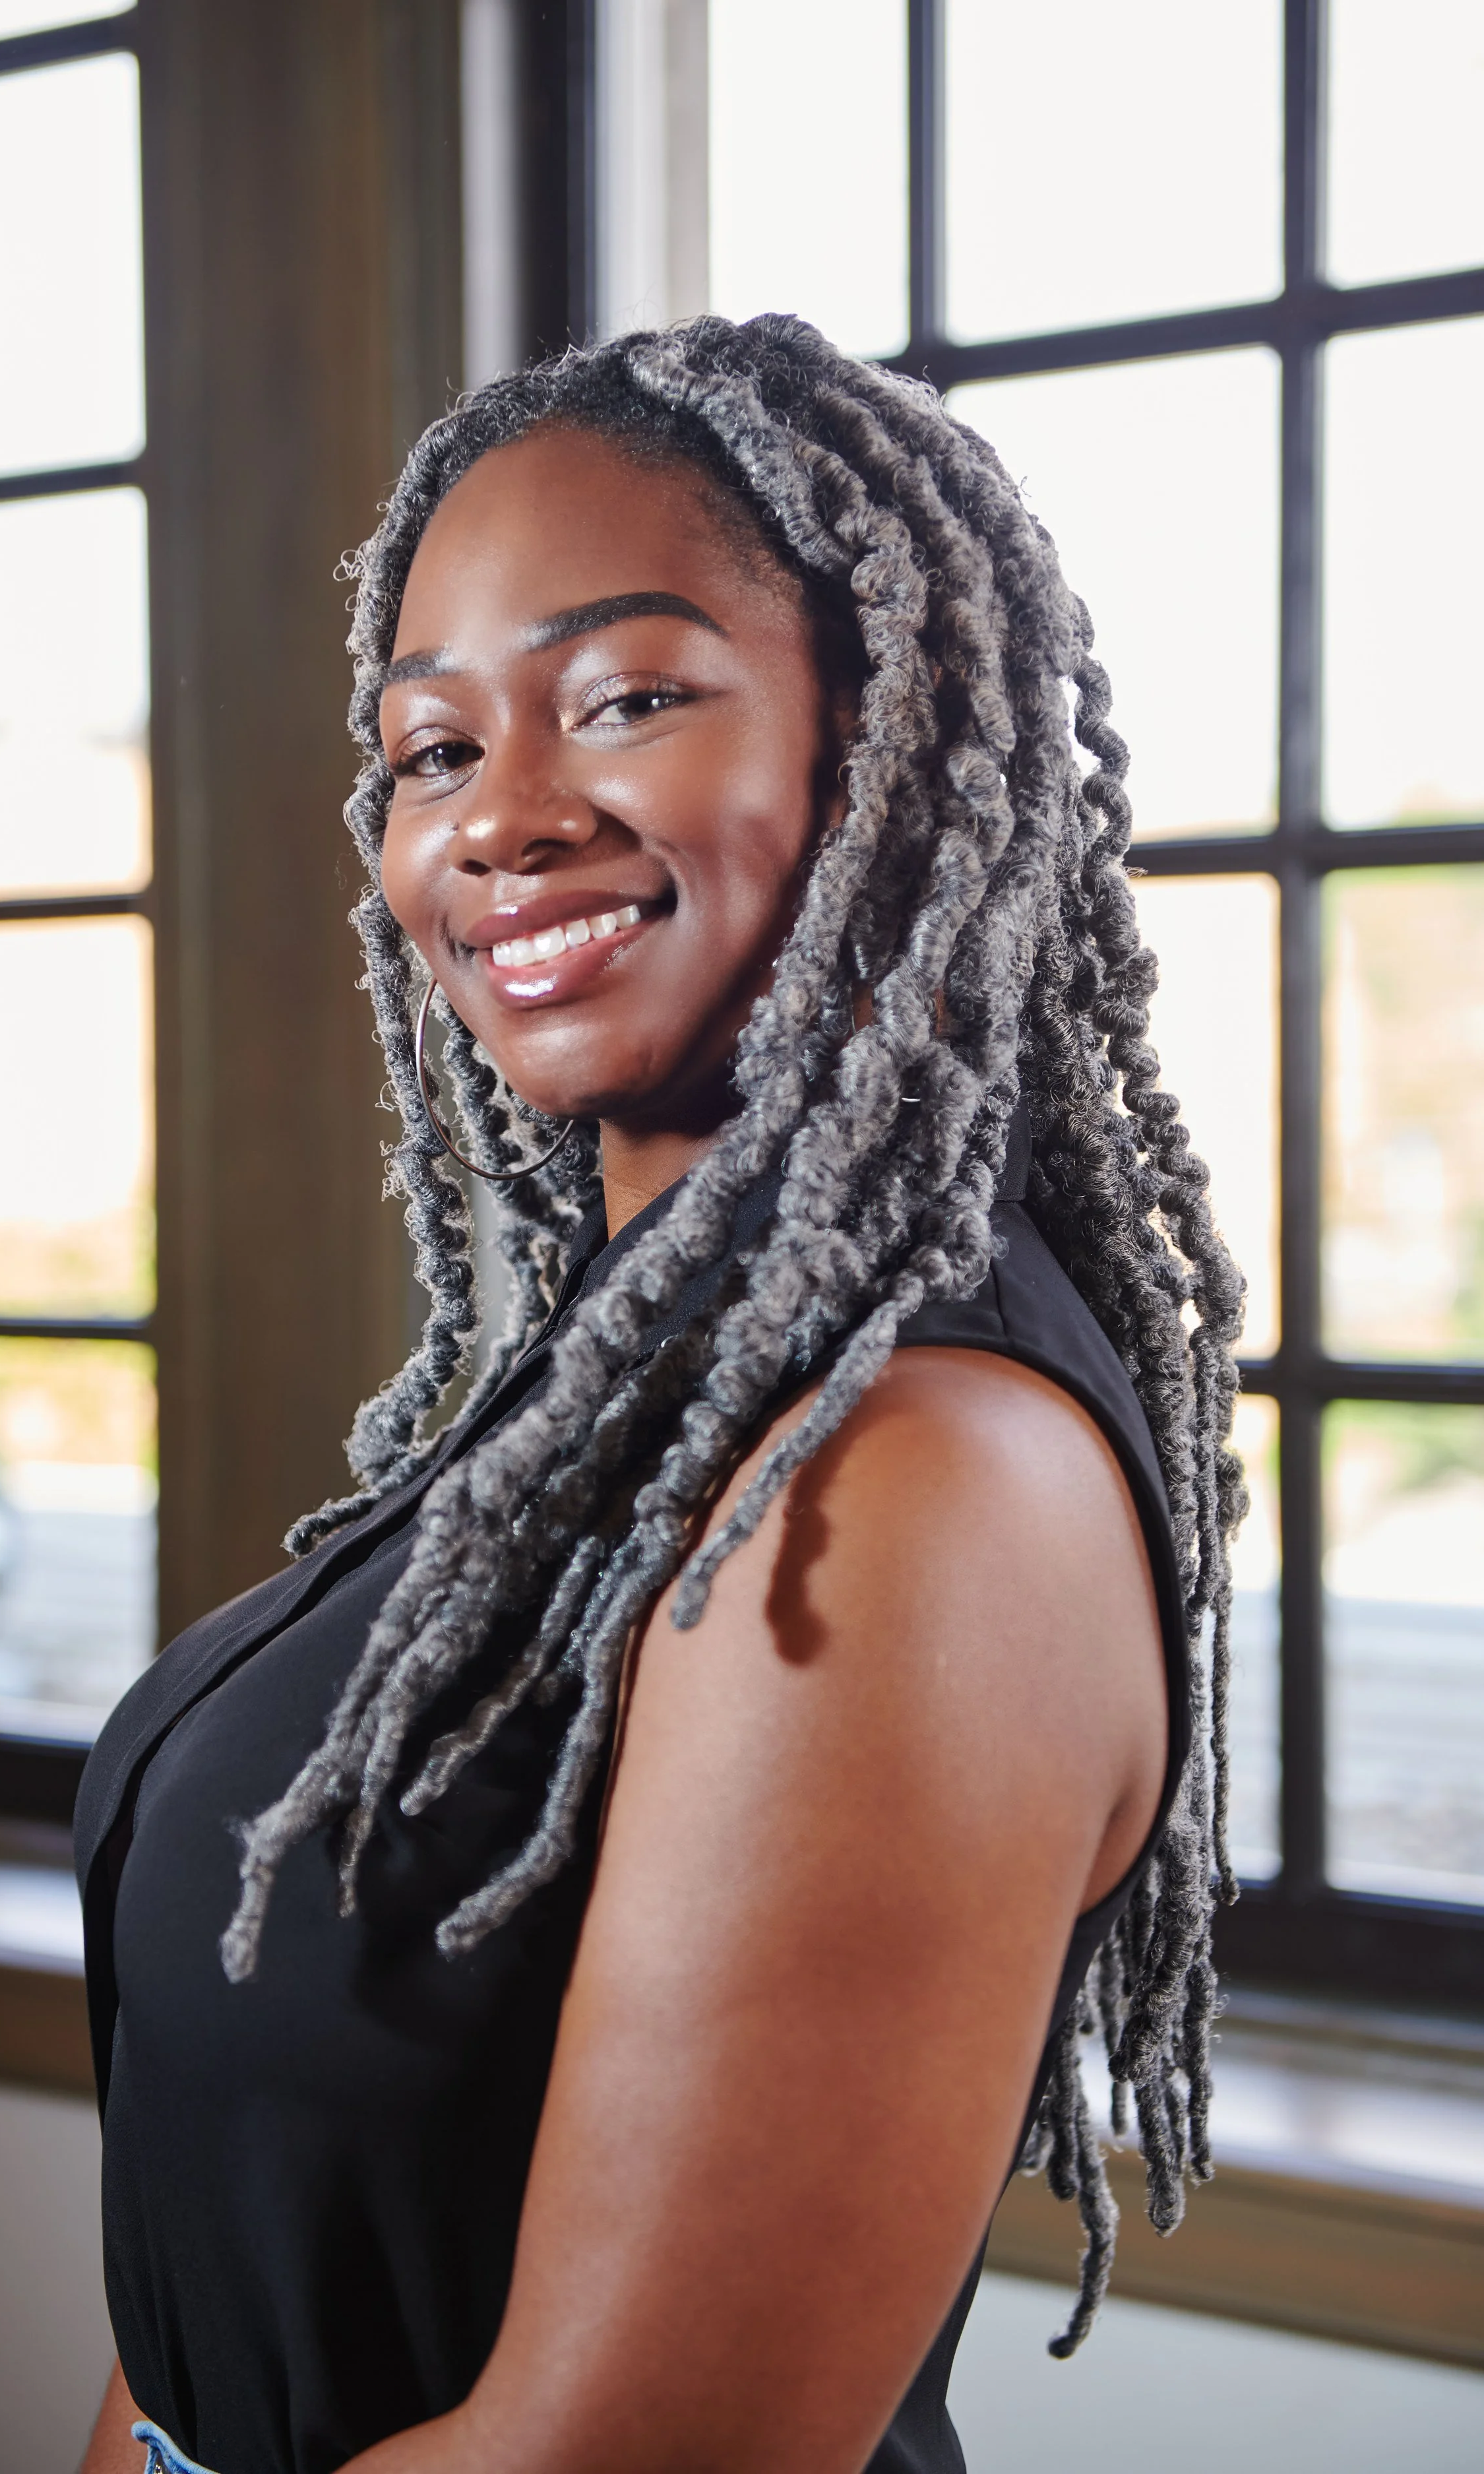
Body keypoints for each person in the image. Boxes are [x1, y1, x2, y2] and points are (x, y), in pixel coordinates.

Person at [76, 314, 1245, 2474]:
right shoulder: (634, 1392)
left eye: (625, 699)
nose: (502, 819)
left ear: (889, 746)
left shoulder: (911, 1483)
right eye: (431, 750)